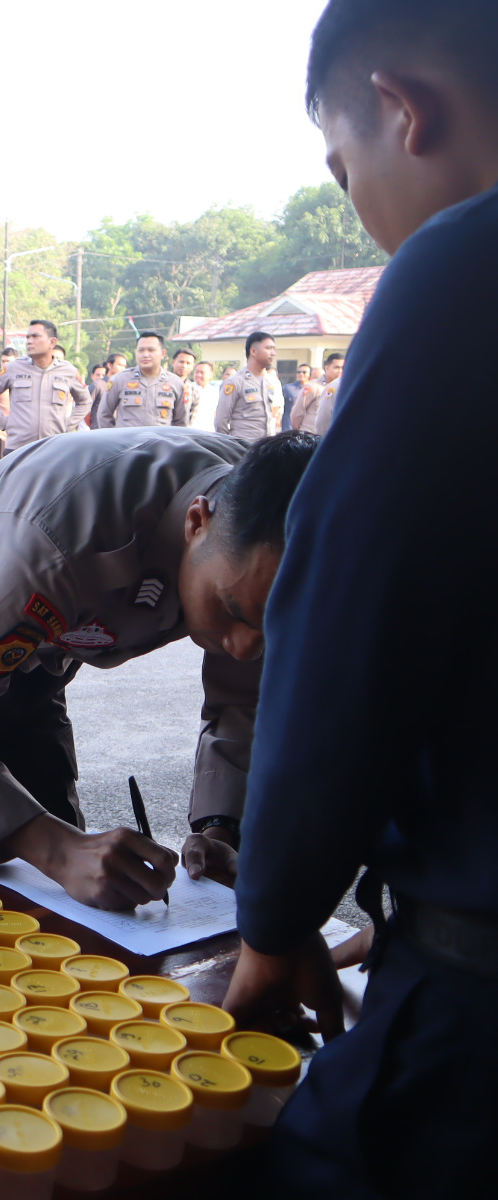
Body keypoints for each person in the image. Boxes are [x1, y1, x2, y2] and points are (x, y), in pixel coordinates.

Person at [223, 3, 498, 1194]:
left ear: (400, 108)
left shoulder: (457, 271)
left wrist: (270, 937)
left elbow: (346, 649)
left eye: (344, 171)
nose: (362, 205)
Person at [0, 429, 315, 894]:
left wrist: (219, 830)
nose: (244, 648)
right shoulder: (57, 535)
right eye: (233, 612)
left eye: (274, 630)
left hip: (34, 655)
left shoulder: (279, 519)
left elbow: (240, 701)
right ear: (197, 522)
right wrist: (58, 850)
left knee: (69, 888)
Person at [0, 320, 91, 453]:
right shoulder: (14, 368)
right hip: (18, 448)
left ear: (52, 342)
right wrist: (4, 422)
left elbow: (85, 401)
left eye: (35, 337)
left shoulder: (68, 371)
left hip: (54, 448)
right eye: (28, 337)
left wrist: (68, 425)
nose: (29, 341)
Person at [93, 331, 188, 427]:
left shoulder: (176, 383)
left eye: (151, 350)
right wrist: (115, 440)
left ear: (163, 353)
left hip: (160, 441)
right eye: (141, 350)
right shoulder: (119, 380)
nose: (145, 355)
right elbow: (104, 415)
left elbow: (180, 422)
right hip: (128, 441)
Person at [215, 331, 284, 439]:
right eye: (269, 348)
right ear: (253, 351)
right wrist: (231, 446)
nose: (273, 353)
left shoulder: (273, 382)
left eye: (274, 349)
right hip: (243, 447)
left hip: (267, 447)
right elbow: (221, 422)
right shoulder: (235, 382)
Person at [291, 351, 344, 433]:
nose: (340, 371)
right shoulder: (313, 386)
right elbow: (297, 413)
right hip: (311, 434)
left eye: (342, 368)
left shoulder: (341, 388)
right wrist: (298, 433)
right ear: (327, 368)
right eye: (336, 367)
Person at [281, 362, 312, 431]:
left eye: (304, 372)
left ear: (310, 375)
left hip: (307, 428)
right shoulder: (288, 388)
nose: (301, 374)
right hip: (289, 427)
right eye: (299, 372)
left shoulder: (313, 390)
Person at [188, 361, 219, 429]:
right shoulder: (188, 389)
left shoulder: (216, 392)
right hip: (191, 432)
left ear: (210, 375)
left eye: (202, 372)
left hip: (209, 433)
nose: (198, 375)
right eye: (197, 372)